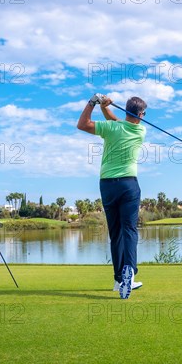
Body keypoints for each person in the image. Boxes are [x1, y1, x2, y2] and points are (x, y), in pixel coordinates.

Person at [77, 93, 146, 299]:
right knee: (129, 230)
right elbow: (118, 121)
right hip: (128, 185)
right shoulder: (140, 130)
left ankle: (118, 279)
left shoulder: (111, 129)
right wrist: (104, 107)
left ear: (125, 110)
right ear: (141, 114)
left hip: (107, 185)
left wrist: (94, 103)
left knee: (115, 233)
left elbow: (83, 124)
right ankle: (130, 274)